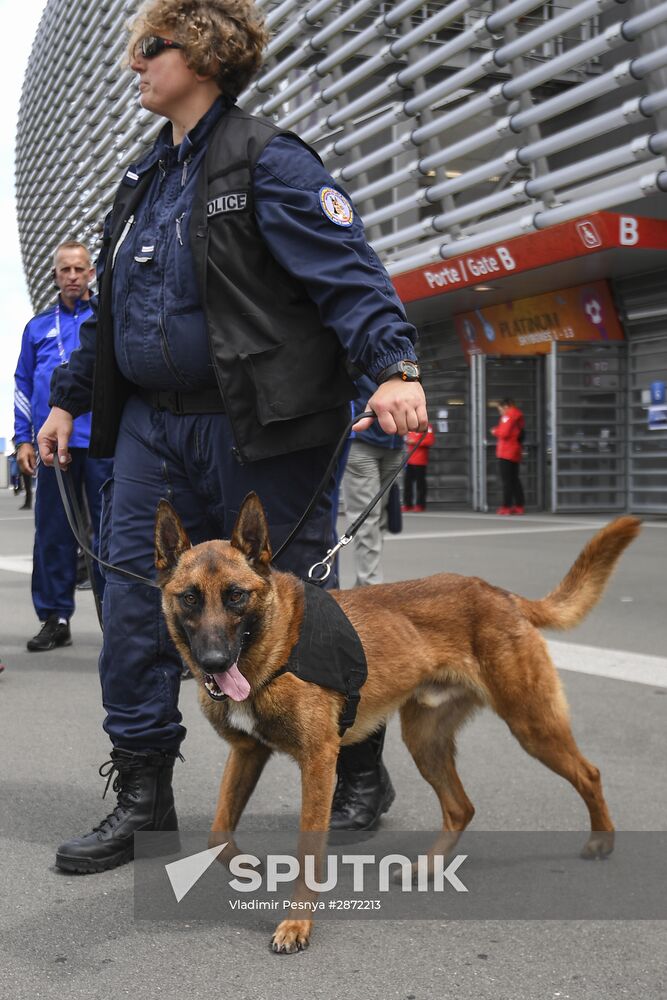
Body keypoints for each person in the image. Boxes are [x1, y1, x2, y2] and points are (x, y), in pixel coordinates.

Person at [37, 0, 428, 874]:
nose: (135, 63)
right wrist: (66, 400)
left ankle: (357, 761)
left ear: (205, 53)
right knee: (134, 607)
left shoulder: (269, 161)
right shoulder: (142, 180)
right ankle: (143, 799)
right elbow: (112, 313)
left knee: (300, 613)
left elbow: (349, 276)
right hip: (152, 428)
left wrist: (393, 366)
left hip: (261, 426)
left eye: (150, 47)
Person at [14, 243, 113, 652]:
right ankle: (55, 617)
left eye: (79, 269)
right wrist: (22, 437)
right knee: (53, 533)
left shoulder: (105, 320)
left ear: (91, 273)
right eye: (65, 270)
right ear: (55, 276)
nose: (72, 276)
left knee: (111, 533)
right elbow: (22, 384)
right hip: (52, 445)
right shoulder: (37, 328)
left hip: (102, 441)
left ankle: (117, 620)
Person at [341, 374, 405, 588]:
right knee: (367, 519)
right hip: (363, 441)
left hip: (393, 443)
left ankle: (366, 583)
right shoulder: (362, 355)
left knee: (378, 520)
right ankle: (370, 586)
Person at [491, 398, 525, 515]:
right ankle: (519, 506)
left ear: (505, 406)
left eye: (500, 409)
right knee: (515, 479)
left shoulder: (508, 416)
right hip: (515, 451)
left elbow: (504, 433)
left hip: (506, 452)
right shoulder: (518, 415)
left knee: (507, 481)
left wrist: (495, 431)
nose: (500, 412)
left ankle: (506, 506)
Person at [402, 422, 435, 512]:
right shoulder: (410, 426)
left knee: (420, 484)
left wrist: (415, 442)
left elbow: (430, 441)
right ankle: (408, 504)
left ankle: (420, 504)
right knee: (407, 483)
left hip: (420, 461)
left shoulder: (427, 427)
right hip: (409, 460)